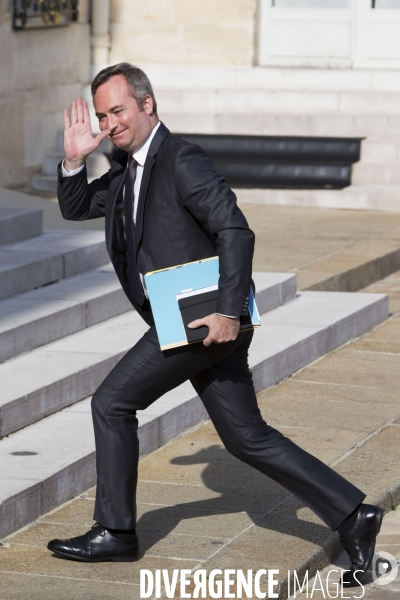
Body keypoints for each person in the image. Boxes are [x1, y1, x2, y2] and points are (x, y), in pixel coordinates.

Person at [47, 63, 381, 586]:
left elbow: (235, 231)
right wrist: (72, 161)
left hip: (201, 322)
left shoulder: (180, 159)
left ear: (147, 105)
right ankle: (353, 514)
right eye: (103, 114)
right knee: (247, 437)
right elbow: (76, 207)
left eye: (119, 111)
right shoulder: (128, 169)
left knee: (111, 403)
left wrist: (228, 312)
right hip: (192, 320)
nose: (110, 123)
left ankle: (116, 531)